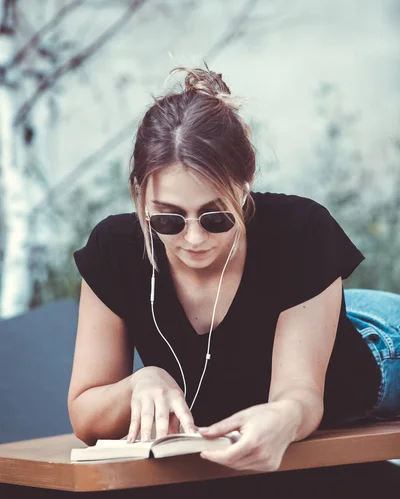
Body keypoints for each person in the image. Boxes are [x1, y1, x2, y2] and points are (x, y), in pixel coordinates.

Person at [69, 65, 400, 475]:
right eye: (169, 221)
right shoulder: (113, 249)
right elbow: (85, 412)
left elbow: (300, 393)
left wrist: (284, 416)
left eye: (216, 218)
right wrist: (141, 381)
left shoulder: (300, 231)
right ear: (140, 194)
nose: (193, 239)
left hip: (379, 344)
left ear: (245, 184)